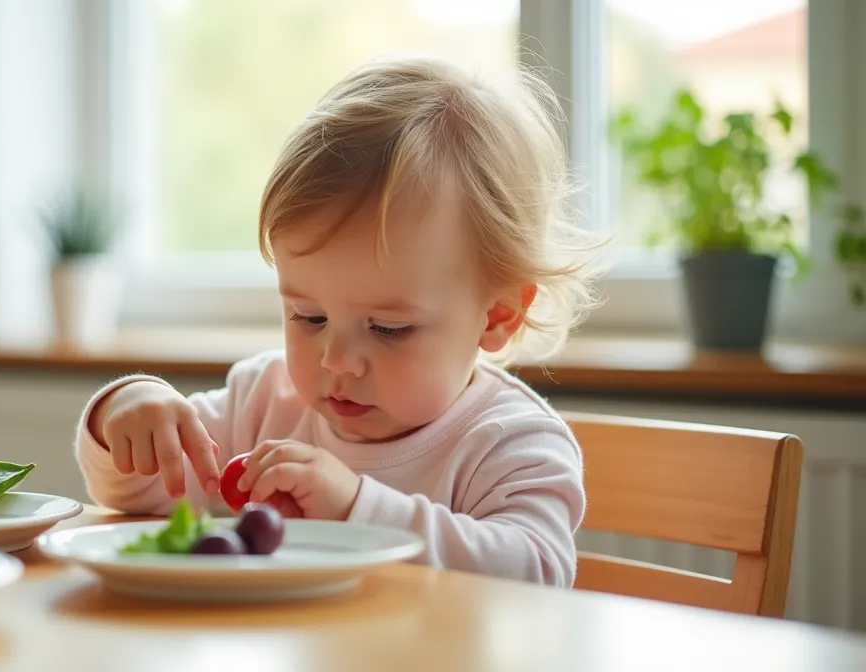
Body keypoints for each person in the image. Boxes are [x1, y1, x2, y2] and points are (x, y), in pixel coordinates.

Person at [73, 55, 605, 587]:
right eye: (309, 316)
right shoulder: (264, 403)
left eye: (387, 327)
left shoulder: (509, 443)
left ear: (498, 315)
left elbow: (537, 572)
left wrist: (357, 508)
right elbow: (138, 494)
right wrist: (126, 412)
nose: (336, 360)